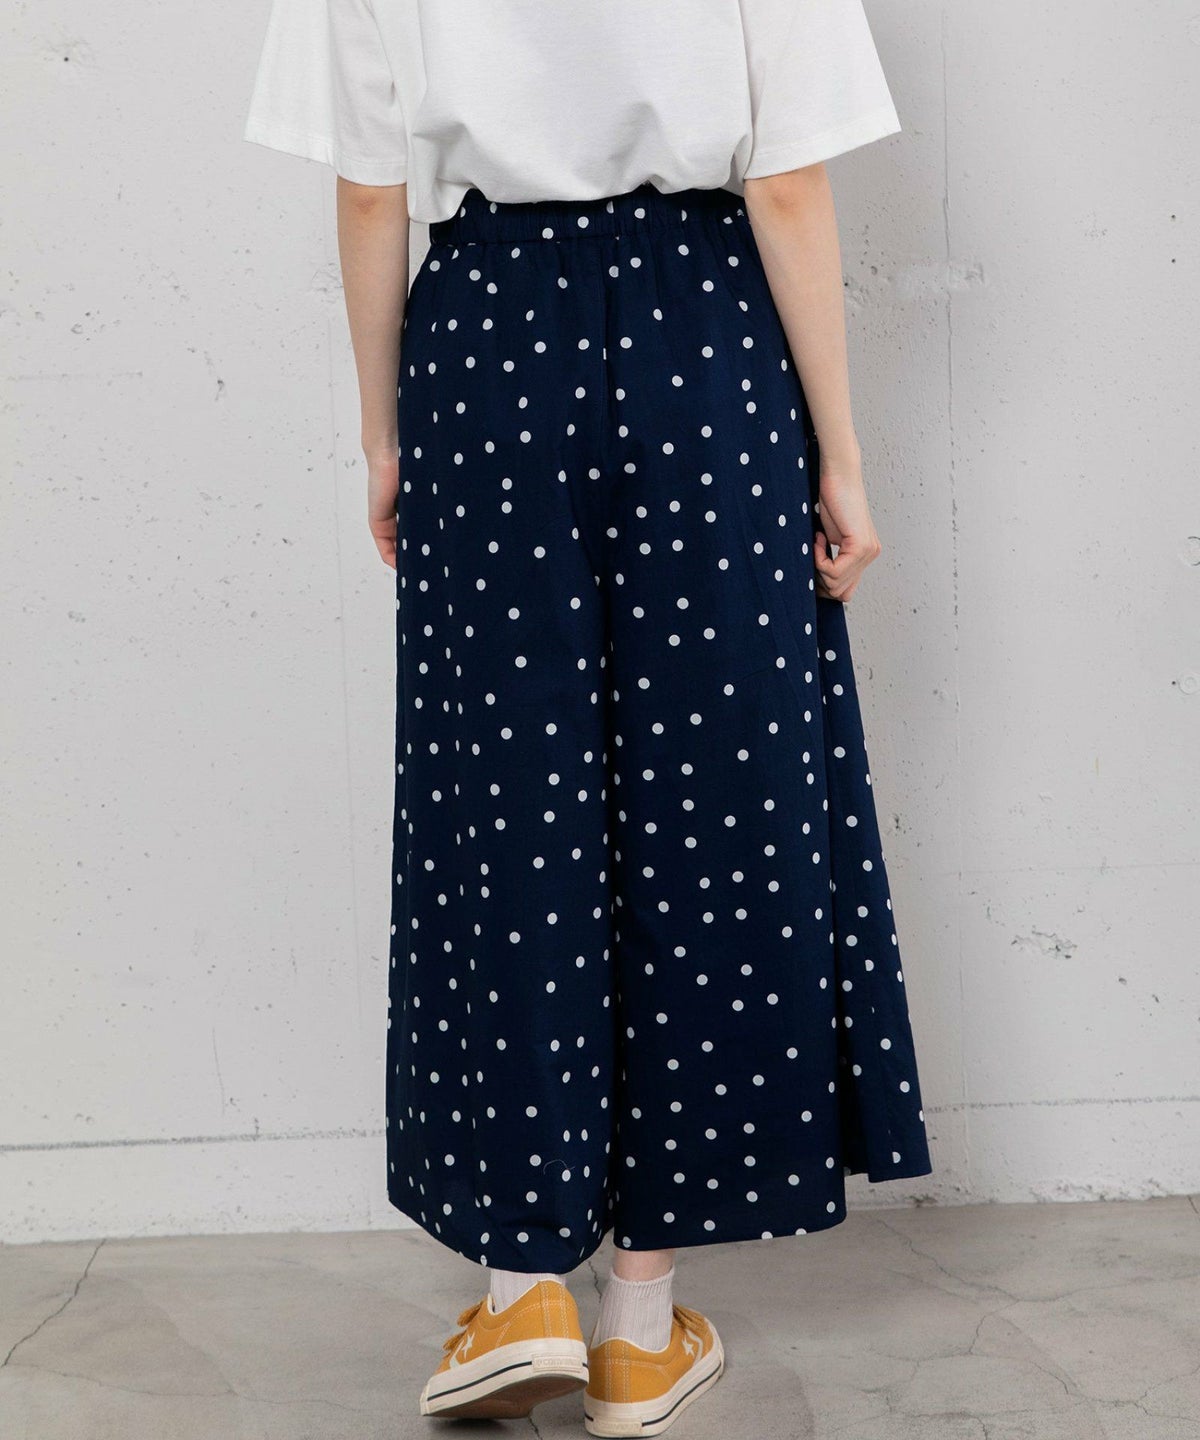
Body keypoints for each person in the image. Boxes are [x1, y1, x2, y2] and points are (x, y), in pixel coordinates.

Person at [244, 1, 934, 1432]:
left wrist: (382, 438)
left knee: (505, 802)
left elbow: (370, 189)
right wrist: (845, 459)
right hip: (703, 338)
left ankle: (521, 1290)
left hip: (488, 343)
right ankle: (638, 1325)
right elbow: (787, 182)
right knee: (709, 804)